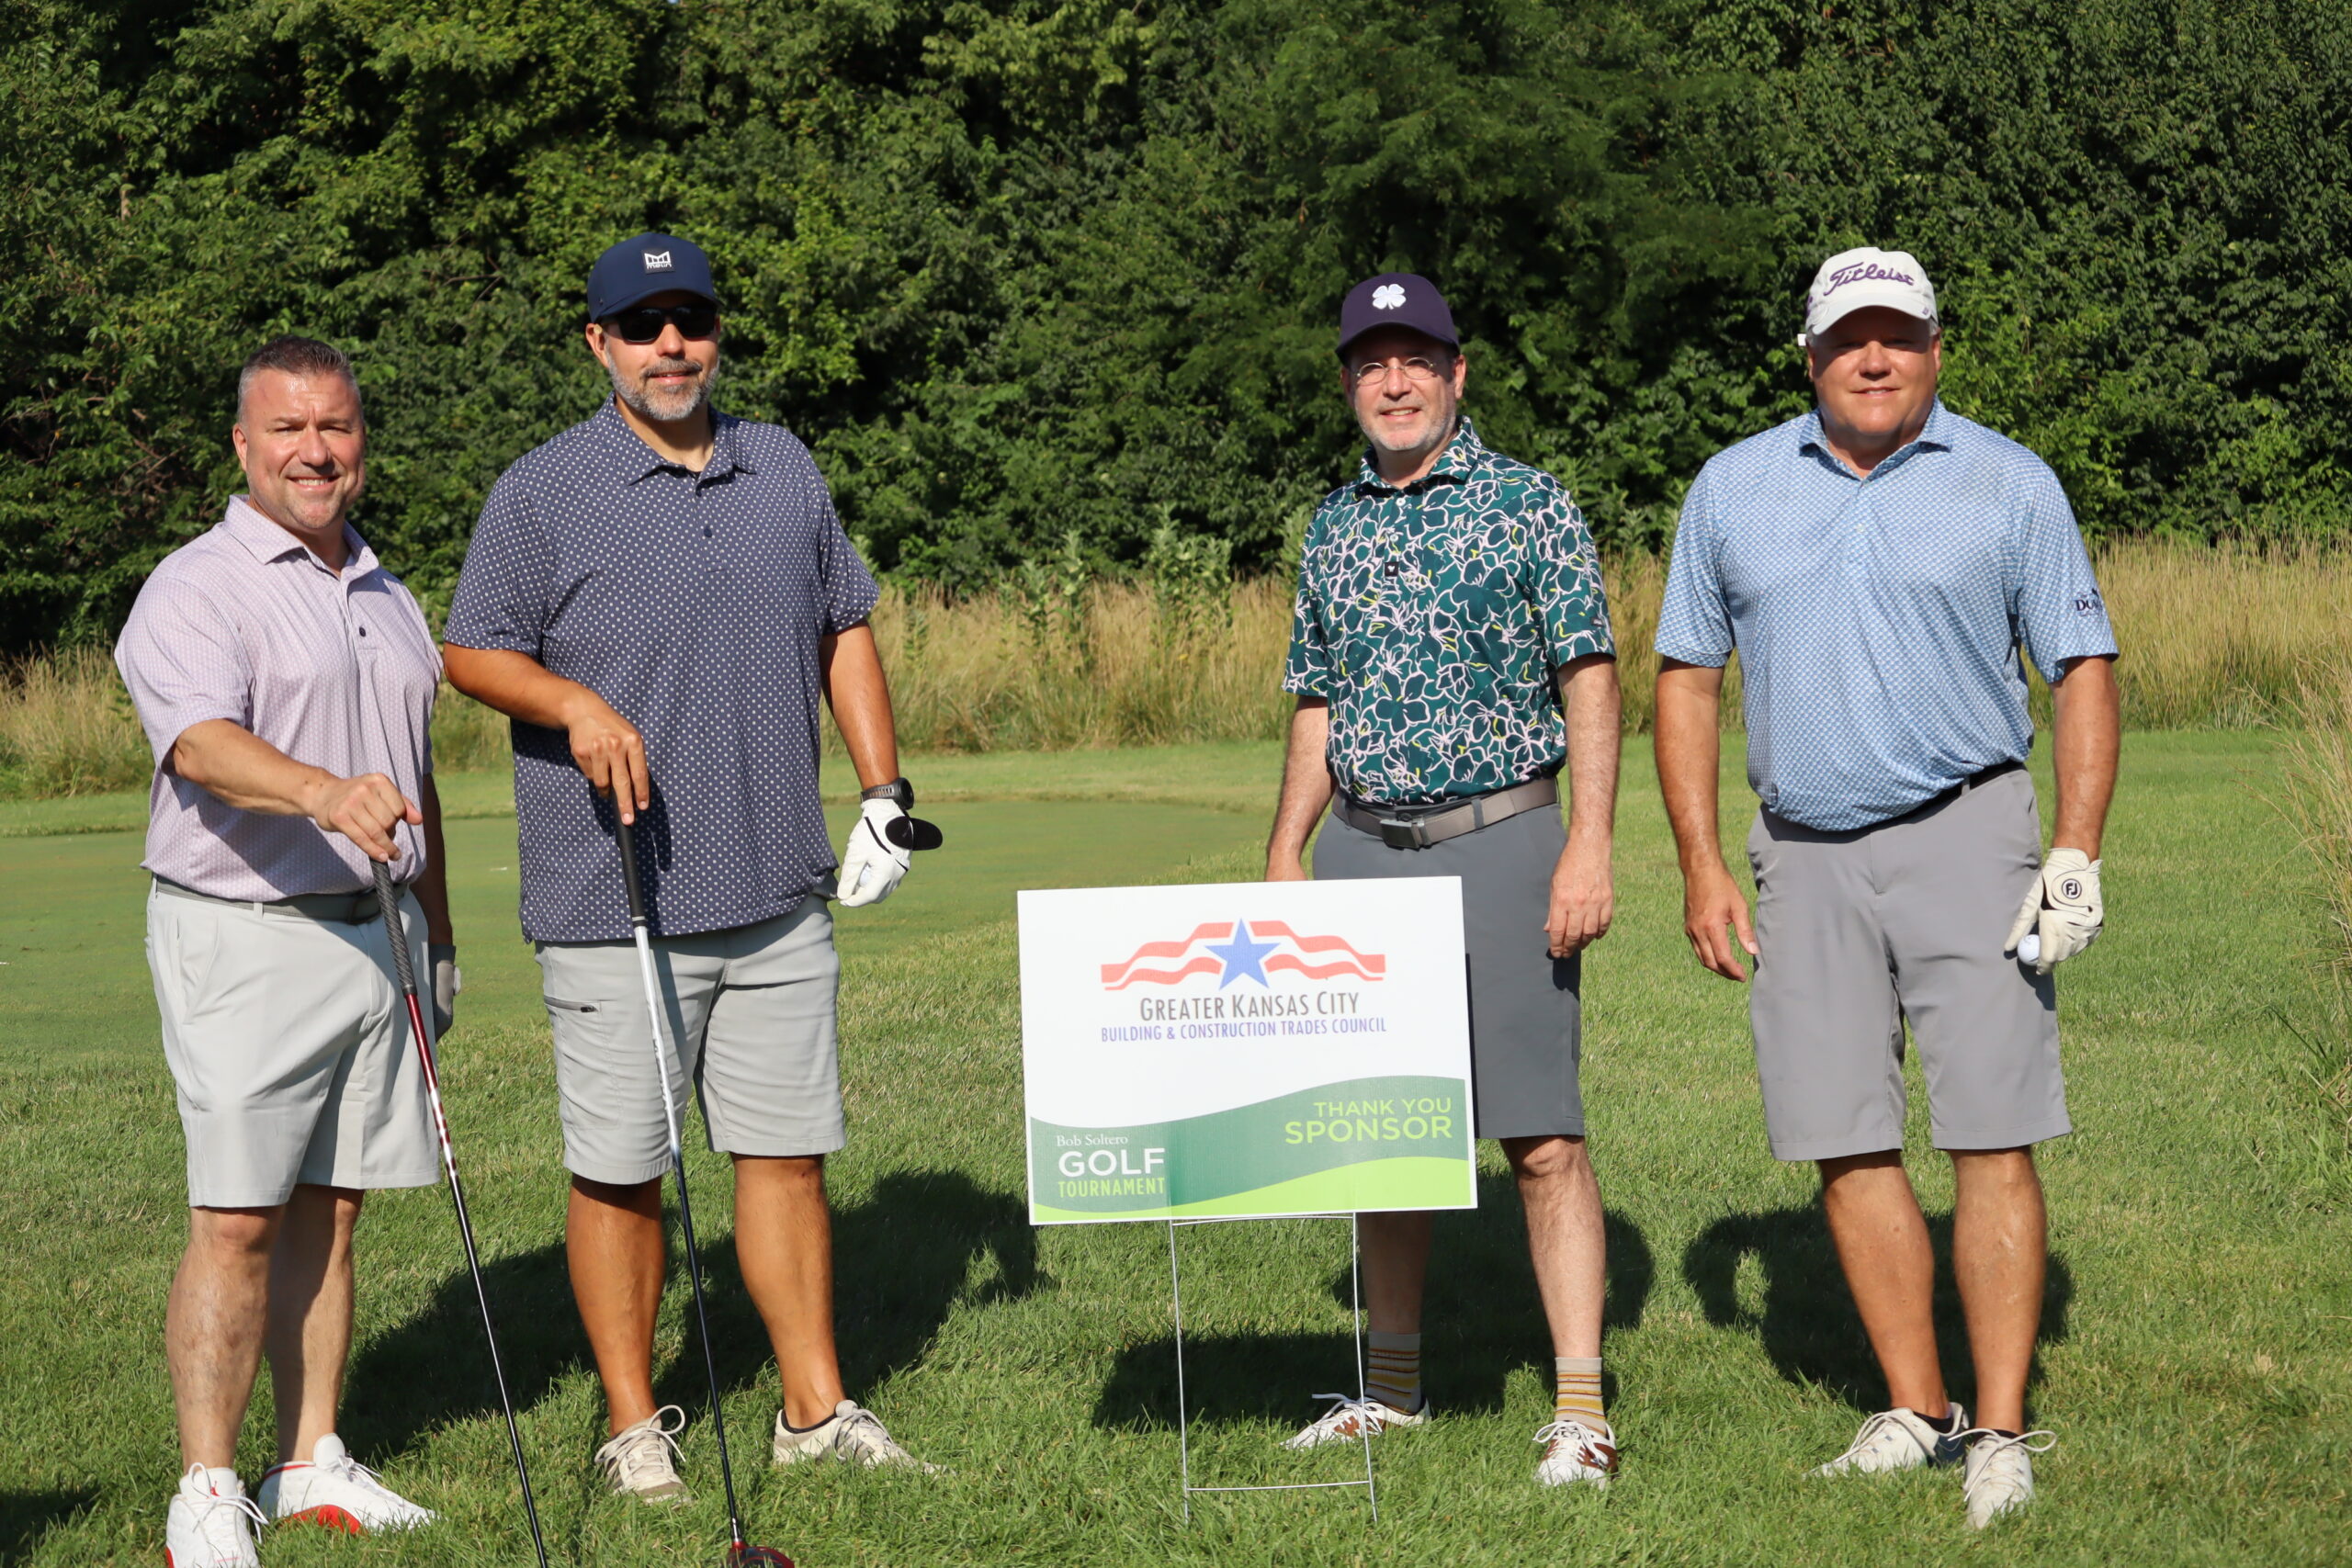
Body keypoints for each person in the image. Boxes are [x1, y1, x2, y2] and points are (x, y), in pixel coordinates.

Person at [441, 231, 933, 1501]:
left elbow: (844, 625)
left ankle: (813, 1409)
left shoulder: (782, 465)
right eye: (643, 326)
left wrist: (884, 793)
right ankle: (631, 1427)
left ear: (715, 335)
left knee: (786, 1156)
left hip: (776, 889)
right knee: (622, 1171)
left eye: (691, 322)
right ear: (599, 344)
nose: (672, 346)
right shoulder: (544, 489)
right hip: (616, 899)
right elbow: (473, 647)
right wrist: (573, 705)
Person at [1653, 246, 2119, 1528]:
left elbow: (2080, 665)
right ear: (1810, 355)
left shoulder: (2010, 483)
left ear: (1934, 349)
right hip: (1800, 852)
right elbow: (1686, 676)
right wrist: (1700, 859)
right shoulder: (1733, 488)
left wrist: (2074, 849)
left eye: (1898, 335)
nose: (1874, 357)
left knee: (1990, 1130)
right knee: (1841, 1133)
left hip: (1971, 833)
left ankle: (2003, 1431)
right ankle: (1920, 1409)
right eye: (1850, 336)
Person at [1265, 272, 1624, 1488]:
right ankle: (1392, 1392)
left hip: (1506, 838)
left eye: (1417, 358)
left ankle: (1581, 1409)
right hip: (1365, 850)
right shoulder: (1332, 527)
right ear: (1349, 384)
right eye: (1373, 362)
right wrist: (1286, 850)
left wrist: (1589, 841)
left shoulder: (1530, 504)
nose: (1396, 381)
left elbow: (1589, 675)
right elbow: (1317, 699)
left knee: (1542, 1137)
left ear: (1457, 374)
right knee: (1385, 1138)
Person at [116, 336, 454, 1567]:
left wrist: (439, 934)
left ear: (361, 441)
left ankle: (310, 1459)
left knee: (334, 1208)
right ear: (243, 447)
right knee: (237, 1219)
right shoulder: (195, 587)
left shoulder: (385, 587)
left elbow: (413, 775)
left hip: (377, 936)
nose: (317, 451)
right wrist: (320, 791)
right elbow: (200, 745)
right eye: (289, 429)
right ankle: (206, 1490)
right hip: (245, 935)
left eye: (337, 426)